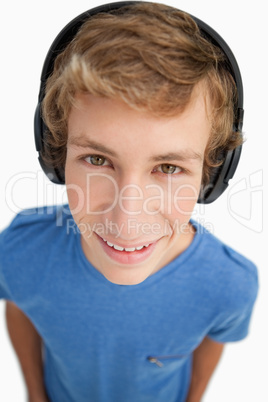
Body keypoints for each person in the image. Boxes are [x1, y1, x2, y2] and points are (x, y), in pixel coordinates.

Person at [0, 2, 258, 401]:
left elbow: (213, 338)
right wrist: (35, 392)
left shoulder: (230, 284)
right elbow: (18, 302)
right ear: (55, 157)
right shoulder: (20, 249)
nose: (126, 219)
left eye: (169, 168)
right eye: (98, 160)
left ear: (213, 175)